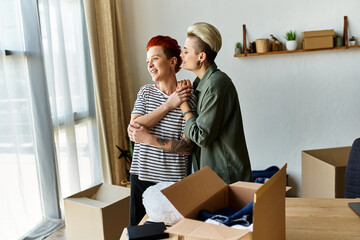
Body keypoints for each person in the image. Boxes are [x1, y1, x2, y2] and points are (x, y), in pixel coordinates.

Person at [127, 35, 197, 226]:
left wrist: (148, 139)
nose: (150, 65)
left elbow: (186, 147)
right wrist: (169, 104)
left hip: (173, 182)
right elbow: (133, 128)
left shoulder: (189, 99)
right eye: (147, 61)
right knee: (139, 233)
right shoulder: (146, 93)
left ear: (172, 61)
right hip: (141, 177)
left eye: (155, 59)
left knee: (171, 234)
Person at [178, 22, 253, 184]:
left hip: (225, 175)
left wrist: (183, 105)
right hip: (213, 173)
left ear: (201, 57)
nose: (181, 56)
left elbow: (202, 136)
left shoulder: (215, 85)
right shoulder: (200, 83)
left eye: (185, 51)